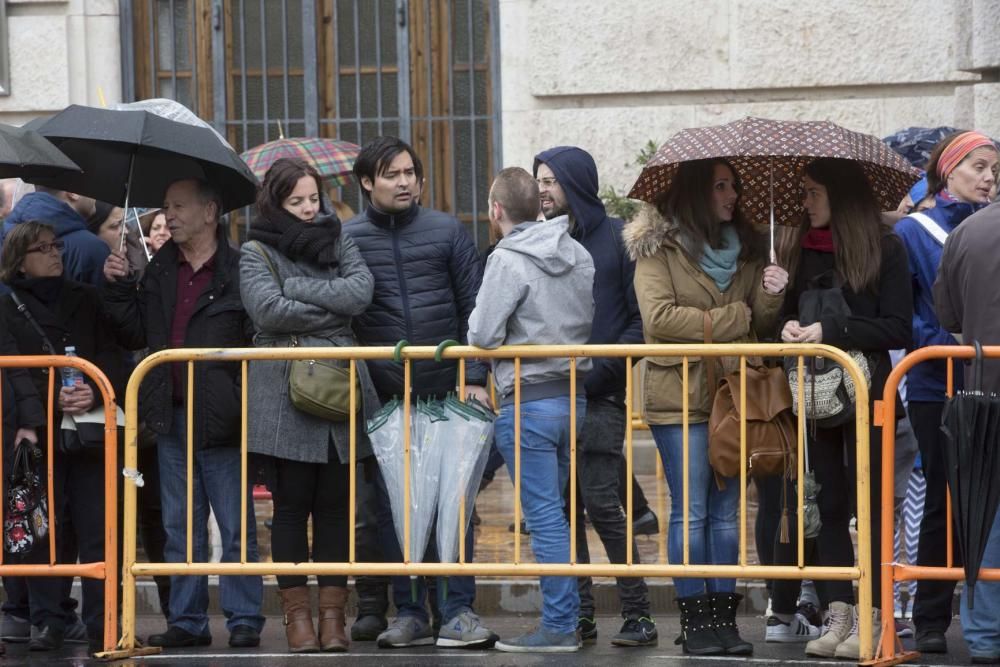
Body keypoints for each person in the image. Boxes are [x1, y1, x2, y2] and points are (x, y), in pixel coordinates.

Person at [625, 157, 787, 656]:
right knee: (690, 512)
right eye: (722, 186)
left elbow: (759, 323)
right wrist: (736, 313)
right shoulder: (659, 249)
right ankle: (694, 622)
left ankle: (723, 620)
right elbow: (659, 320)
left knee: (725, 515)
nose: (732, 194)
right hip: (679, 398)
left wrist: (768, 292)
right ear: (697, 193)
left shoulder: (749, 250)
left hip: (732, 397)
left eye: (734, 185)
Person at [343, 136, 496, 650]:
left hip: (449, 395)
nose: (405, 181)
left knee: (454, 503)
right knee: (396, 509)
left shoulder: (448, 230)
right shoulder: (349, 238)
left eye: (410, 172)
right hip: (388, 400)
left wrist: (474, 377)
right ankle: (409, 612)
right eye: (392, 174)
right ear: (367, 182)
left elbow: (474, 308)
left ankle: (458, 610)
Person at [101, 177, 265, 650]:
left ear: (210, 211)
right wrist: (119, 285)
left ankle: (244, 619)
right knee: (179, 525)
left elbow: (255, 335)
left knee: (235, 526)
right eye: (165, 206)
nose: (167, 215)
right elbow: (136, 333)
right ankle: (188, 620)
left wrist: (238, 395)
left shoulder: (236, 268)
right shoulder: (160, 270)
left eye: (177, 206)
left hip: (223, 416)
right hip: (170, 415)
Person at [772, 158, 912, 659]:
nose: (805, 202)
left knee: (869, 505)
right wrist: (784, 326)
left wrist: (833, 332)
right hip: (814, 394)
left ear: (840, 195)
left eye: (813, 193)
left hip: (868, 392)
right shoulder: (797, 249)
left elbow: (899, 326)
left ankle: (873, 615)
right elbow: (788, 314)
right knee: (826, 504)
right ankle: (839, 614)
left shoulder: (885, 246)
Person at [240, 158, 376, 653]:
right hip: (284, 393)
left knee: (337, 510)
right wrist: (328, 305)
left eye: (312, 199)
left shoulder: (340, 240)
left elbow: (361, 292)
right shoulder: (256, 251)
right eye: (295, 201)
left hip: (340, 387)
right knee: (291, 508)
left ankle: (334, 619)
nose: (306, 209)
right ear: (275, 203)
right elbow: (266, 310)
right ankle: (298, 621)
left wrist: (297, 289)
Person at [533, 145, 657, 646]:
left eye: (551, 180)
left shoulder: (616, 239)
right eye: (538, 180)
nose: (542, 189)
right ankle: (582, 613)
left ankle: (638, 613)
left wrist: (600, 368)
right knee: (563, 509)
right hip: (551, 395)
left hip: (602, 395)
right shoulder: (541, 240)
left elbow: (637, 319)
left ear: (576, 182)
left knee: (603, 501)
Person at [467, 166, 594, 652]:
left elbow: (481, 335)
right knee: (557, 513)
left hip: (528, 401)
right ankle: (567, 620)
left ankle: (560, 626)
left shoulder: (506, 259)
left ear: (496, 210)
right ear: (540, 206)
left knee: (545, 518)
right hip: (573, 397)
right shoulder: (577, 253)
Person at [0, 221, 130, 653]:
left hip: (88, 429)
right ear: (20, 258)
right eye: (42, 248)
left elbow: (114, 353)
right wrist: (50, 397)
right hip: (31, 432)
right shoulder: (5, 303)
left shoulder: (85, 297)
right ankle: (46, 621)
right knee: (37, 529)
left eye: (56, 246)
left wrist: (94, 388)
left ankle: (102, 622)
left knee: (96, 525)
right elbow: (11, 370)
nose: (54, 253)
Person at [894, 131, 998, 655]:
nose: (988, 178)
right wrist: (949, 340)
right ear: (948, 172)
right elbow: (909, 313)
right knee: (941, 496)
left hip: (981, 378)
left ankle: (975, 608)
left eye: (994, 171)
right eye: (978, 167)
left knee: (988, 498)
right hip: (937, 379)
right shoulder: (914, 231)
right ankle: (931, 614)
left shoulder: (983, 228)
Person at [933, 199, 1000, 665]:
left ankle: (983, 635)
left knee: (985, 512)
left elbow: (948, 314)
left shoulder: (968, 232)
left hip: (982, 390)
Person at [1, 186, 106, 286]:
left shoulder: (5, 234)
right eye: (90, 186)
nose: (55, 253)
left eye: (57, 245)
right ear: (74, 193)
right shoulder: (93, 247)